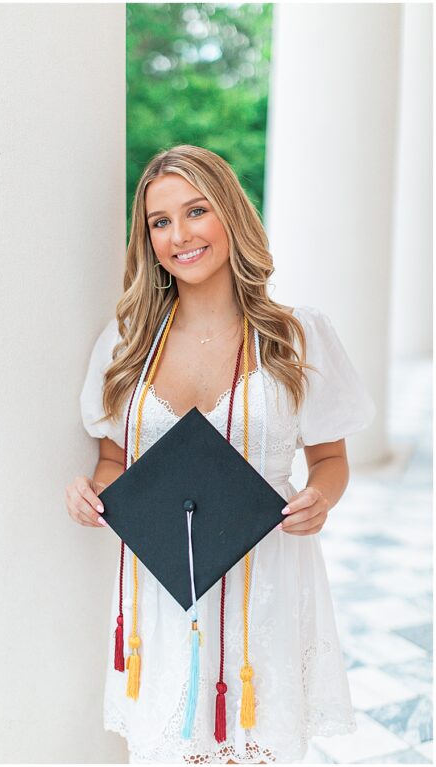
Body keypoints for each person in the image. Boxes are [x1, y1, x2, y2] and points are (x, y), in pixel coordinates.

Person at [65, 145, 374, 763]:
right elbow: (112, 459)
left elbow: (330, 460)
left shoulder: (294, 335)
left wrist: (322, 499)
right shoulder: (128, 343)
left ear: (230, 214)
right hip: (164, 589)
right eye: (160, 222)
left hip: (268, 581)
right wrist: (90, 491)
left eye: (196, 211)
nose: (179, 235)